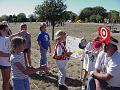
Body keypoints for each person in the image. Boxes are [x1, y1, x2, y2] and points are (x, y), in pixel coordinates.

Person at [0, 24, 25, 90]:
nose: (7, 31)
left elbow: (11, 37)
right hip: (4, 63)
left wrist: (19, 33)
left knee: (7, 80)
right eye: (6, 30)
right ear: (1, 30)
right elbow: (0, 53)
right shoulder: (0, 40)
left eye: (8, 30)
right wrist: (11, 55)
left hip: (7, 62)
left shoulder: (4, 38)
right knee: (6, 80)